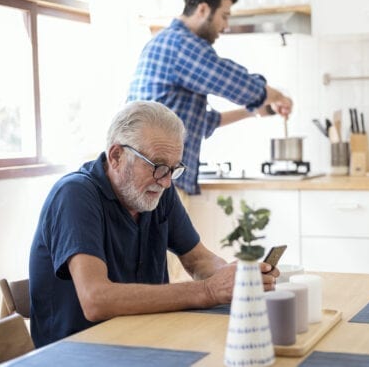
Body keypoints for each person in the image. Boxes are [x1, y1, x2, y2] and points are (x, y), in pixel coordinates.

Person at [29, 101, 279, 347]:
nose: (167, 181)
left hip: (143, 339)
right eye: (158, 166)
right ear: (117, 155)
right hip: (77, 352)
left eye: (174, 169)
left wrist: (237, 278)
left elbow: (198, 261)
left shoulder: (159, 192)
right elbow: (96, 300)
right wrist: (208, 291)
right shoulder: (75, 194)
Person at [127, 0, 293, 196]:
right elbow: (237, 84)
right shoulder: (181, 45)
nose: (225, 26)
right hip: (155, 182)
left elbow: (202, 123)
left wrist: (254, 111)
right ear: (203, 9)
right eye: (224, 16)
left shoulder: (168, 42)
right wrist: (278, 96)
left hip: (153, 180)